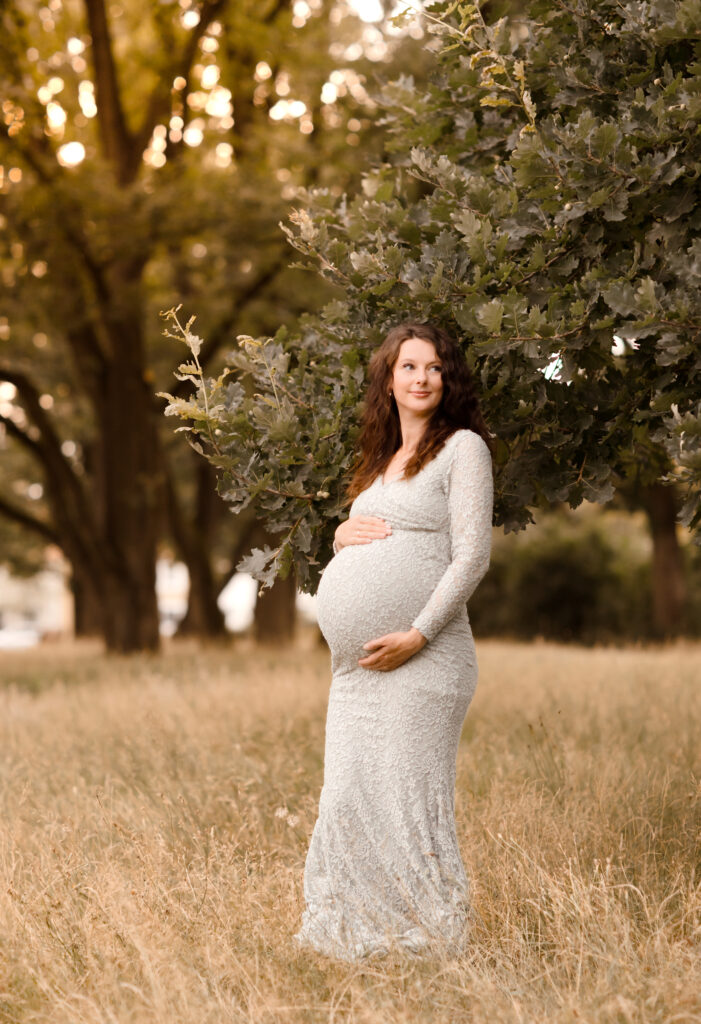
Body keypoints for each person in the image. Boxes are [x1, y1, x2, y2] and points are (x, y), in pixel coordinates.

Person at [293, 322, 494, 962]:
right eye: (409, 366)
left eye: (434, 367)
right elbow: (367, 534)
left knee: (408, 795)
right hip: (356, 673)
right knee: (349, 793)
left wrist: (417, 633)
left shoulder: (463, 449)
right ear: (389, 378)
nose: (422, 377)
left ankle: (428, 939)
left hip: (427, 657)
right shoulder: (380, 463)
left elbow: (471, 558)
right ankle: (350, 935)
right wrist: (336, 539)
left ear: (447, 379)